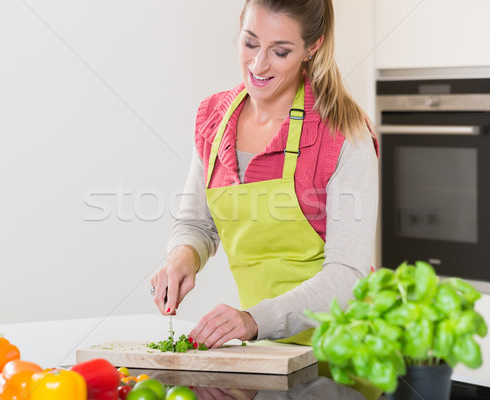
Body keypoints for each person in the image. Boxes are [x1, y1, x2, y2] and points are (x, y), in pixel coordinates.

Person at [150, 0, 378, 349]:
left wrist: (255, 320)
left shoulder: (344, 133)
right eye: (250, 42)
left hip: (346, 352)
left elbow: (349, 275)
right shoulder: (215, 119)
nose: (258, 64)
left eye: (280, 51)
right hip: (265, 353)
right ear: (240, 24)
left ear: (311, 47)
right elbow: (197, 224)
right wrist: (182, 256)